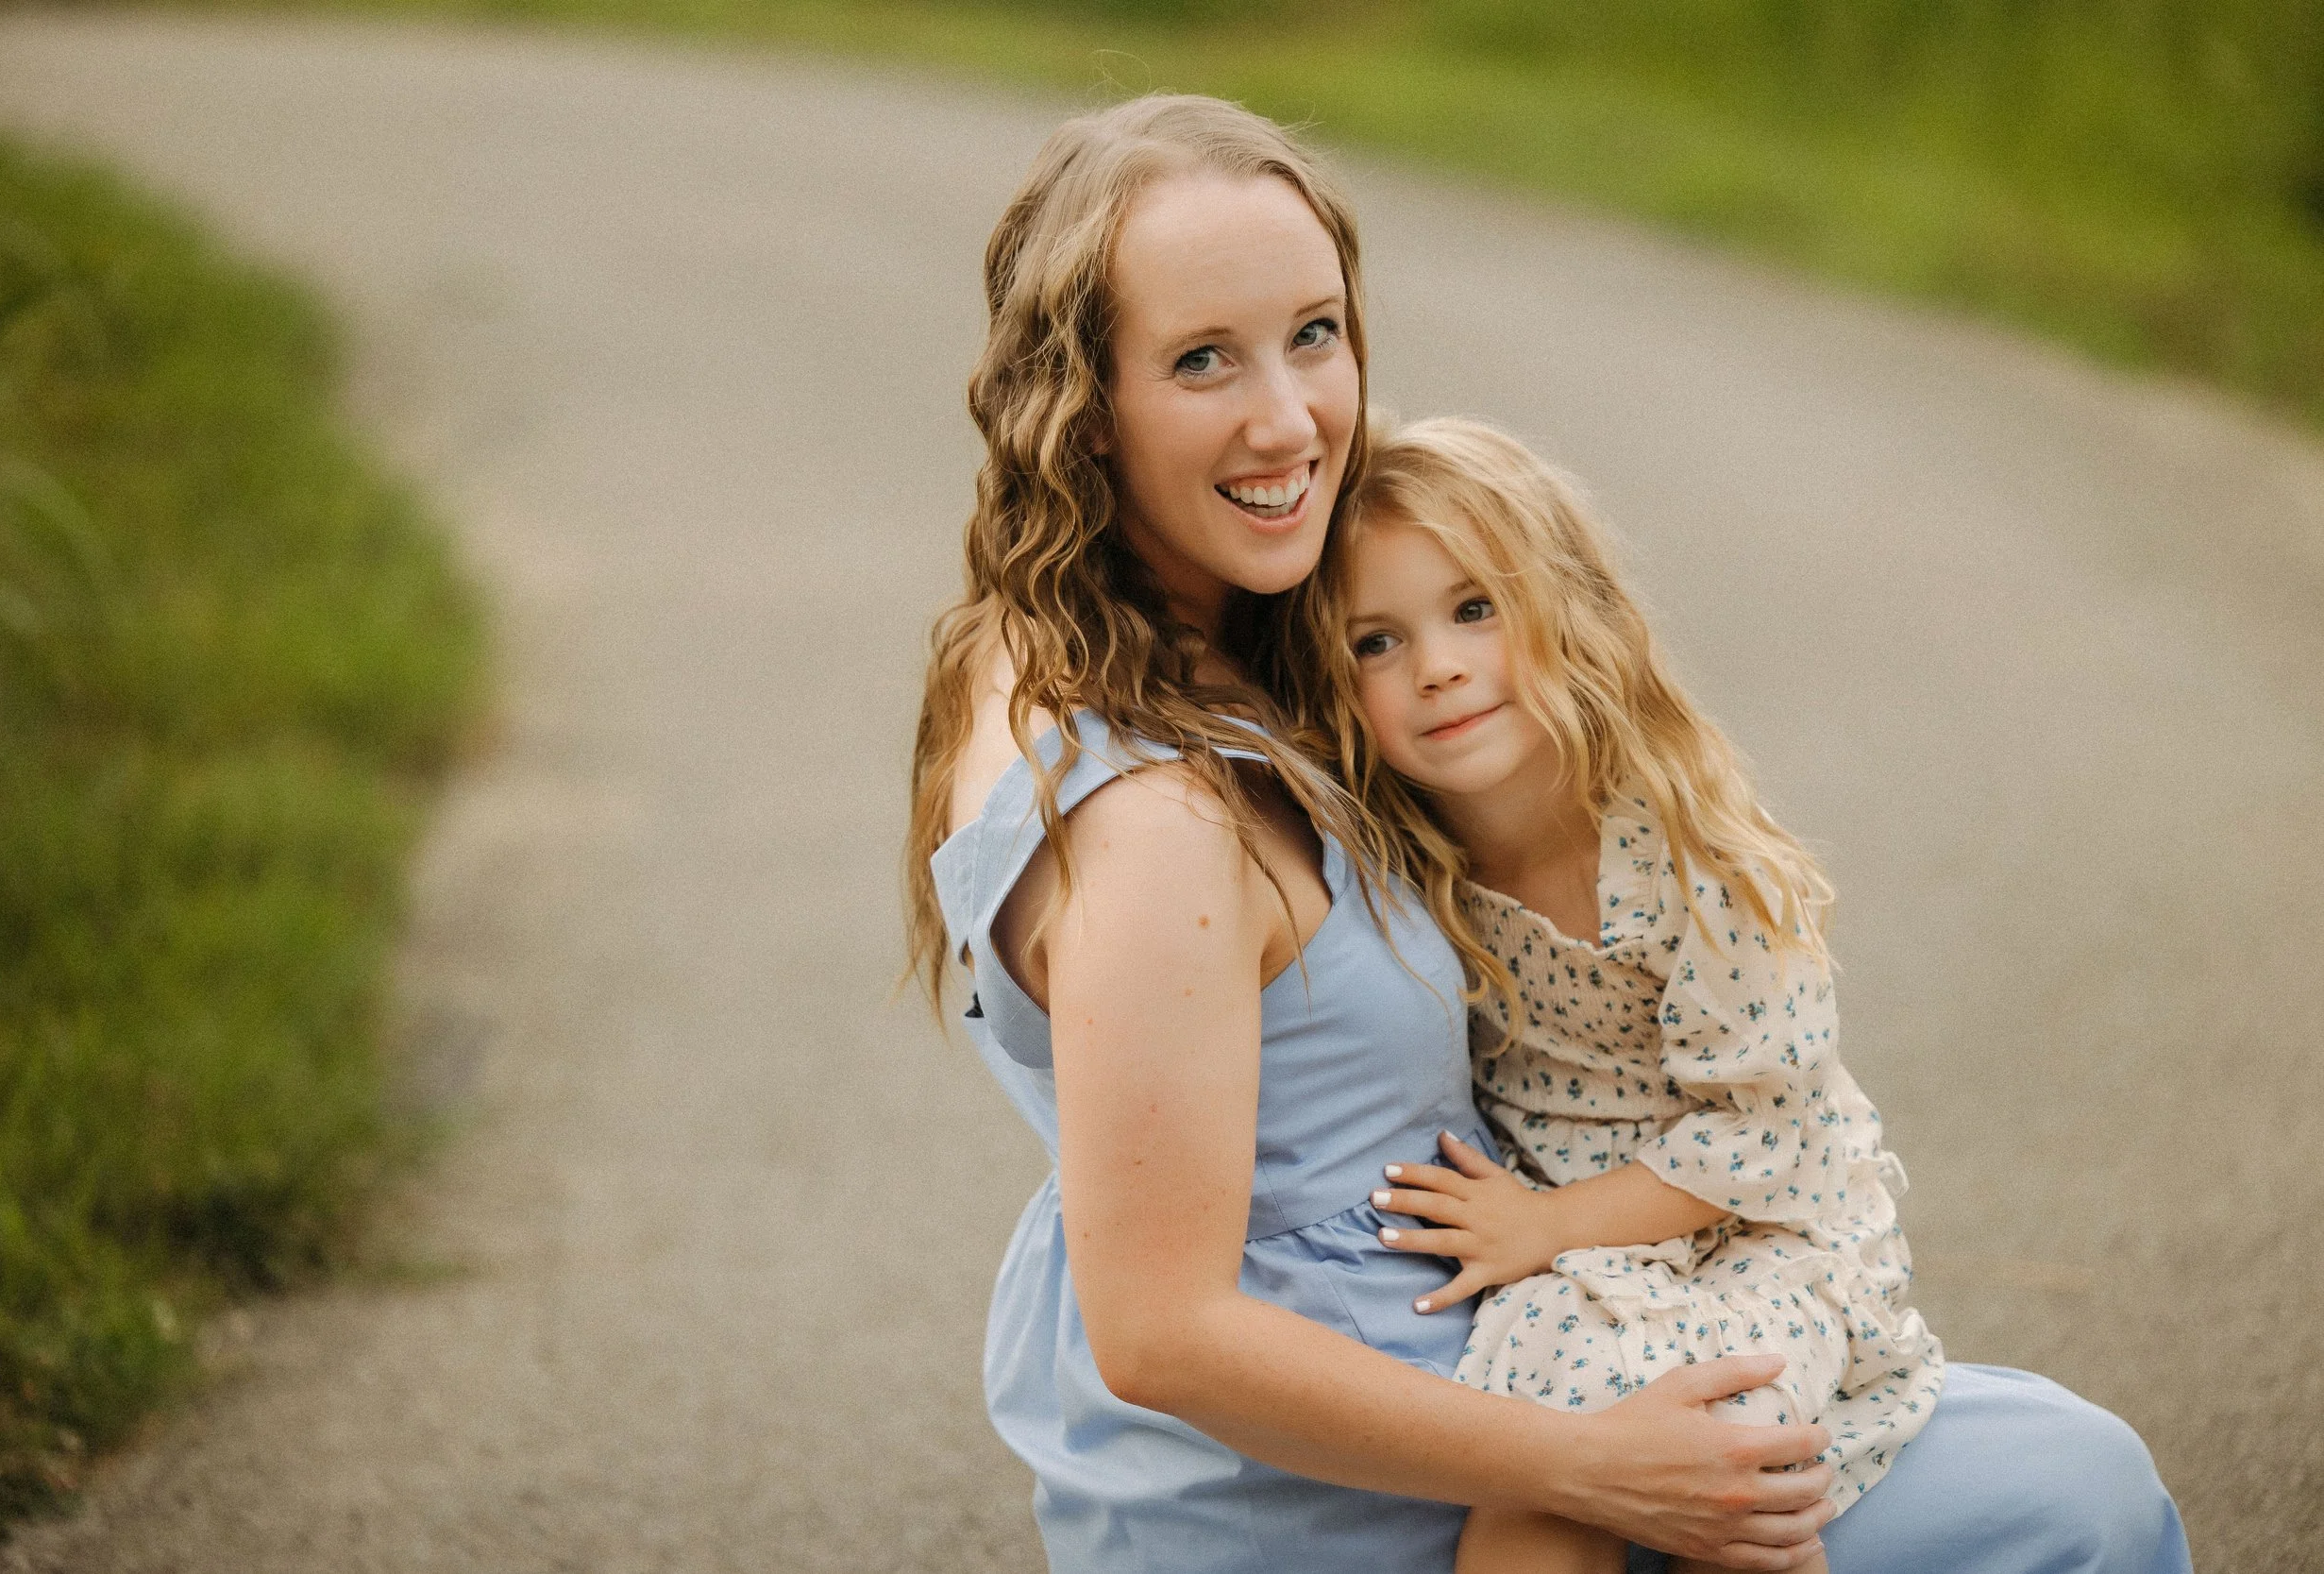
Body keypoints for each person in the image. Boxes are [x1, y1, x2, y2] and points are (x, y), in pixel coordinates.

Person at [904, 93, 2192, 1573]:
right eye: (1204, 359)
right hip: (1376, 1469)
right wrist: (1597, 1464)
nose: (1291, 416)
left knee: (2031, 1442)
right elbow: (1161, 1332)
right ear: (1084, 403)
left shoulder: (1045, 636)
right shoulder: (1157, 821)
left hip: (1493, 1355)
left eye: (1314, 333)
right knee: (2077, 1499)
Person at [1279, 415, 1940, 1572]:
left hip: (1764, 1238)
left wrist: (1549, 1225)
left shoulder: (1684, 854)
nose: (1435, 664)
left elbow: (1768, 1131)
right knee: (1533, 1482)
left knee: (1725, 1473)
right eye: (1375, 641)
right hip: (1587, 1258)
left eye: (1474, 609)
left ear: (1565, 610)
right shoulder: (1405, 853)